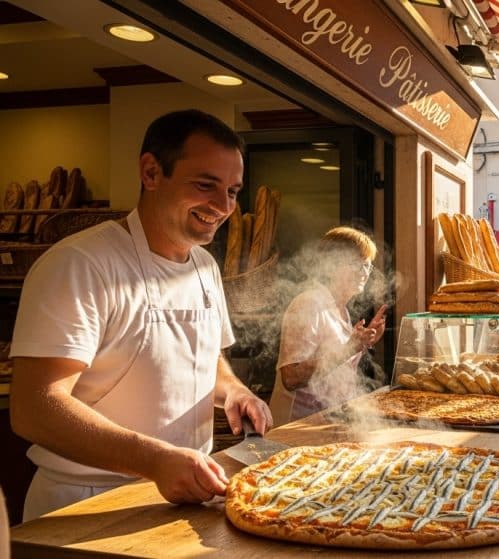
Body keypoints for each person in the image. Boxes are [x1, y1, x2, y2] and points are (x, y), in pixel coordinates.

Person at [10, 109, 272, 521]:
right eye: (205, 185)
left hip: (187, 495)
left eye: (233, 191)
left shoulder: (205, 267)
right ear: (151, 172)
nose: (223, 206)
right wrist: (154, 460)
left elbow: (206, 358)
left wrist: (234, 392)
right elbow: (34, 408)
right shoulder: (81, 264)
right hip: (85, 505)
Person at [269, 227, 387, 424]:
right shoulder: (309, 303)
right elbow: (291, 378)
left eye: (368, 266)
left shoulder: (342, 310)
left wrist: (364, 341)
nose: (364, 273)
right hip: (296, 429)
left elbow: (336, 369)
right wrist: (350, 348)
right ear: (331, 264)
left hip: (327, 422)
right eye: (357, 264)